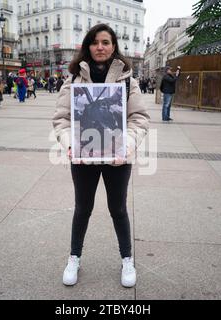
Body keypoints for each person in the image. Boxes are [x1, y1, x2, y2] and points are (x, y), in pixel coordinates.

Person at [52, 23, 149, 288]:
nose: (100, 47)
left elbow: (138, 118)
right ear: (88, 46)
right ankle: (74, 257)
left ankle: (127, 259)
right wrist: (70, 144)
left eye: (106, 42)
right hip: (83, 155)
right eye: (95, 42)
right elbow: (62, 119)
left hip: (118, 156)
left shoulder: (128, 80)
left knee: (117, 208)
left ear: (114, 46)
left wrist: (127, 145)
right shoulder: (73, 80)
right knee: (82, 208)